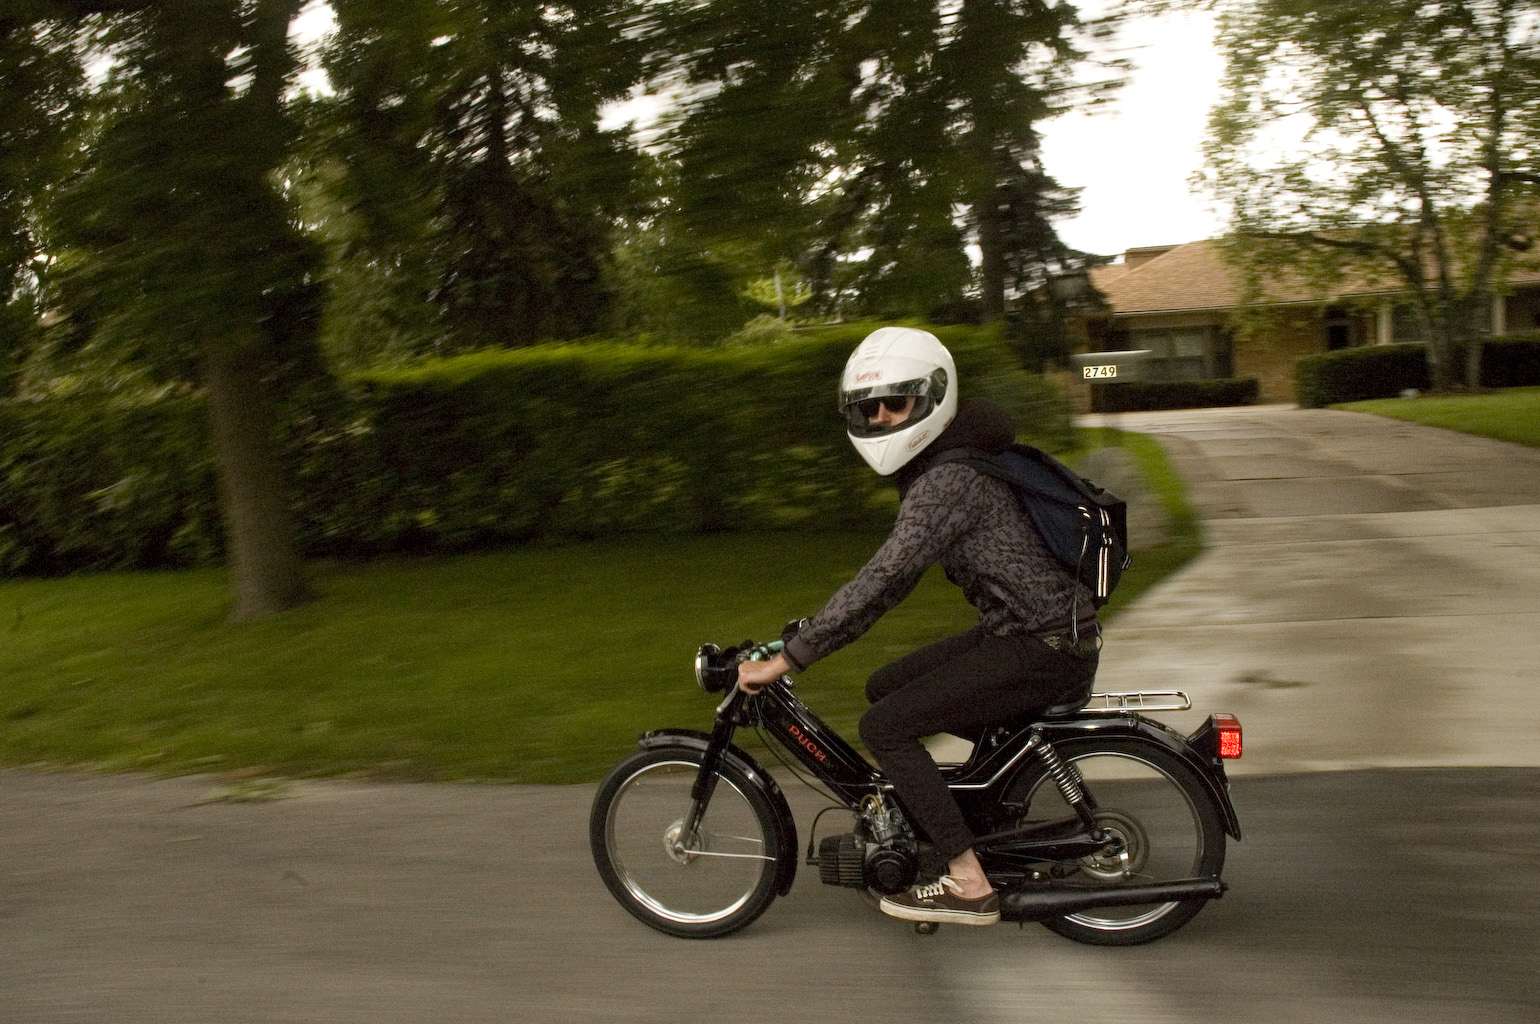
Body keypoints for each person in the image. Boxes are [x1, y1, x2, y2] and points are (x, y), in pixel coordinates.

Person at [735, 326, 1101, 927]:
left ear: (933, 398)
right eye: (868, 408)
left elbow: (886, 578)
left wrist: (789, 657)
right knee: (884, 686)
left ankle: (969, 881)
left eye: (895, 402)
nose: (880, 417)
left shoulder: (948, 480)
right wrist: (809, 631)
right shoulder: (949, 462)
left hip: (1043, 645)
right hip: (1030, 631)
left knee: (885, 727)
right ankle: (971, 814)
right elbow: (889, 578)